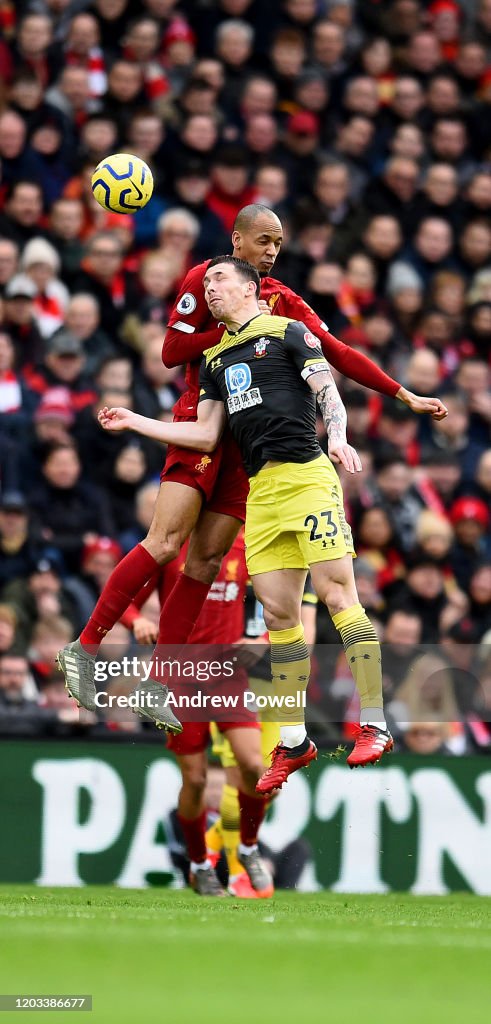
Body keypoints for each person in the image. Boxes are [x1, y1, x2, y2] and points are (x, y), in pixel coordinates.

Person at [56, 204, 446, 726]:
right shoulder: (209, 281)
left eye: (279, 243)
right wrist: (240, 333)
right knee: (167, 541)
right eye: (265, 241)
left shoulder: (282, 302)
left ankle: (160, 682)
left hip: (250, 446)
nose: (273, 252)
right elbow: (172, 350)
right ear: (238, 241)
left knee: (204, 563)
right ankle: (83, 647)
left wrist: (403, 394)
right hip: (203, 419)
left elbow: (334, 351)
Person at [99, 254, 399, 787]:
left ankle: (374, 722)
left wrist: (338, 437)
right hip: (260, 494)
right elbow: (206, 435)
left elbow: (327, 390)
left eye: (219, 280)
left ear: (249, 290)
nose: (208, 289)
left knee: (337, 597)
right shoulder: (215, 359)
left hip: (307, 477)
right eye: (206, 281)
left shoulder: (288, 331)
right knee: (281, 617)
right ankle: (293, 740)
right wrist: (137, 422)